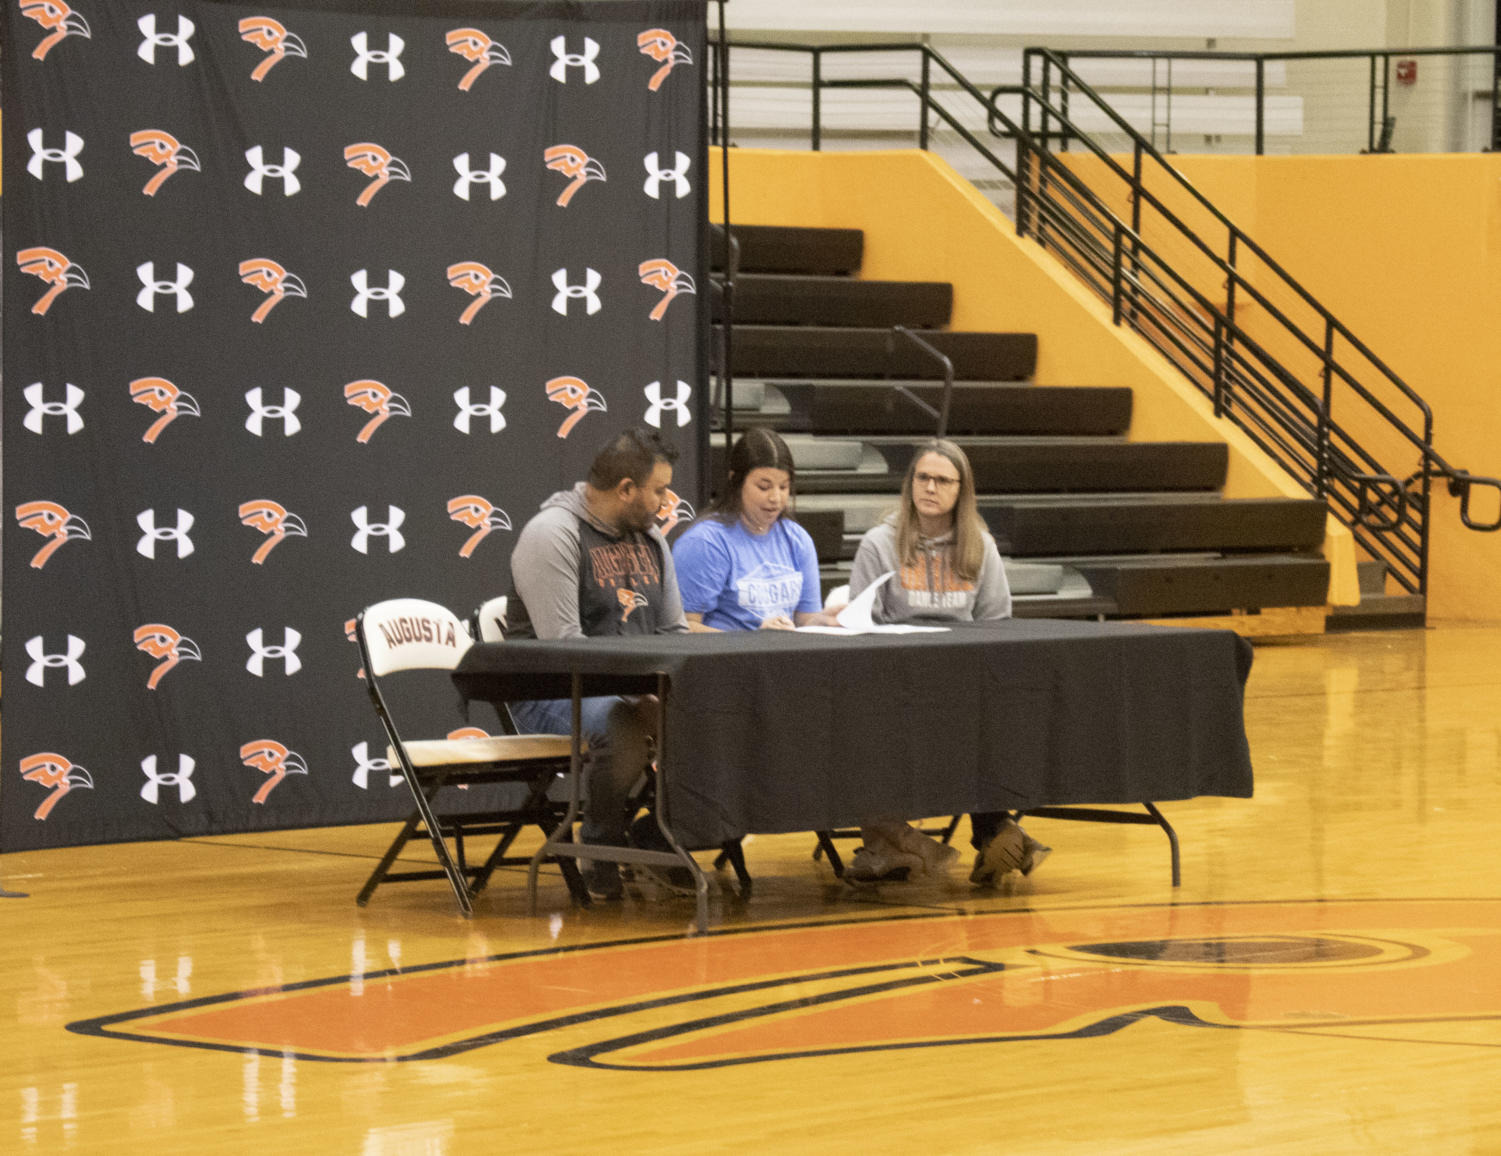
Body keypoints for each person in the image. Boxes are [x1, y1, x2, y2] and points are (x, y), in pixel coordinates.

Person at [845, 438, 1051, 886]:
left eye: (942, 480)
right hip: (895, 681)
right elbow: (860, 623)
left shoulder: (980, 545)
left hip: (962, 680)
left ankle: (987, 832)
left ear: (962, 490)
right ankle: (990, 834)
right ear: (910, 484)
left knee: (995, 716)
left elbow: (996, 623)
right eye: (922, 477)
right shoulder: (879, 544)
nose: (930, 487)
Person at [504, 426, 692, 899]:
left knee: (714, 713)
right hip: (550, 691)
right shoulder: (552, 535)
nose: (666, 503)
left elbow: (674, 632)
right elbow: (564, 649)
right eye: (659, 491)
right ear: (626, 489)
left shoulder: (651, 539)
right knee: (623, 727)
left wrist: (662, 692)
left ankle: (660, 836)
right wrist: (640, 698)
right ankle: (602, 850)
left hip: (629, 687)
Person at [672, 427, 842, 632]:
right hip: (725, 660)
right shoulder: (705, 542)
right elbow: (683, 628)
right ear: (736, 481)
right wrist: (753, 639)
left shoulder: (797, 539)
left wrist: (825, 621)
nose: (775, 498)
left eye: (783, 487)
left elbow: (805, 619)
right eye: (764, 487)